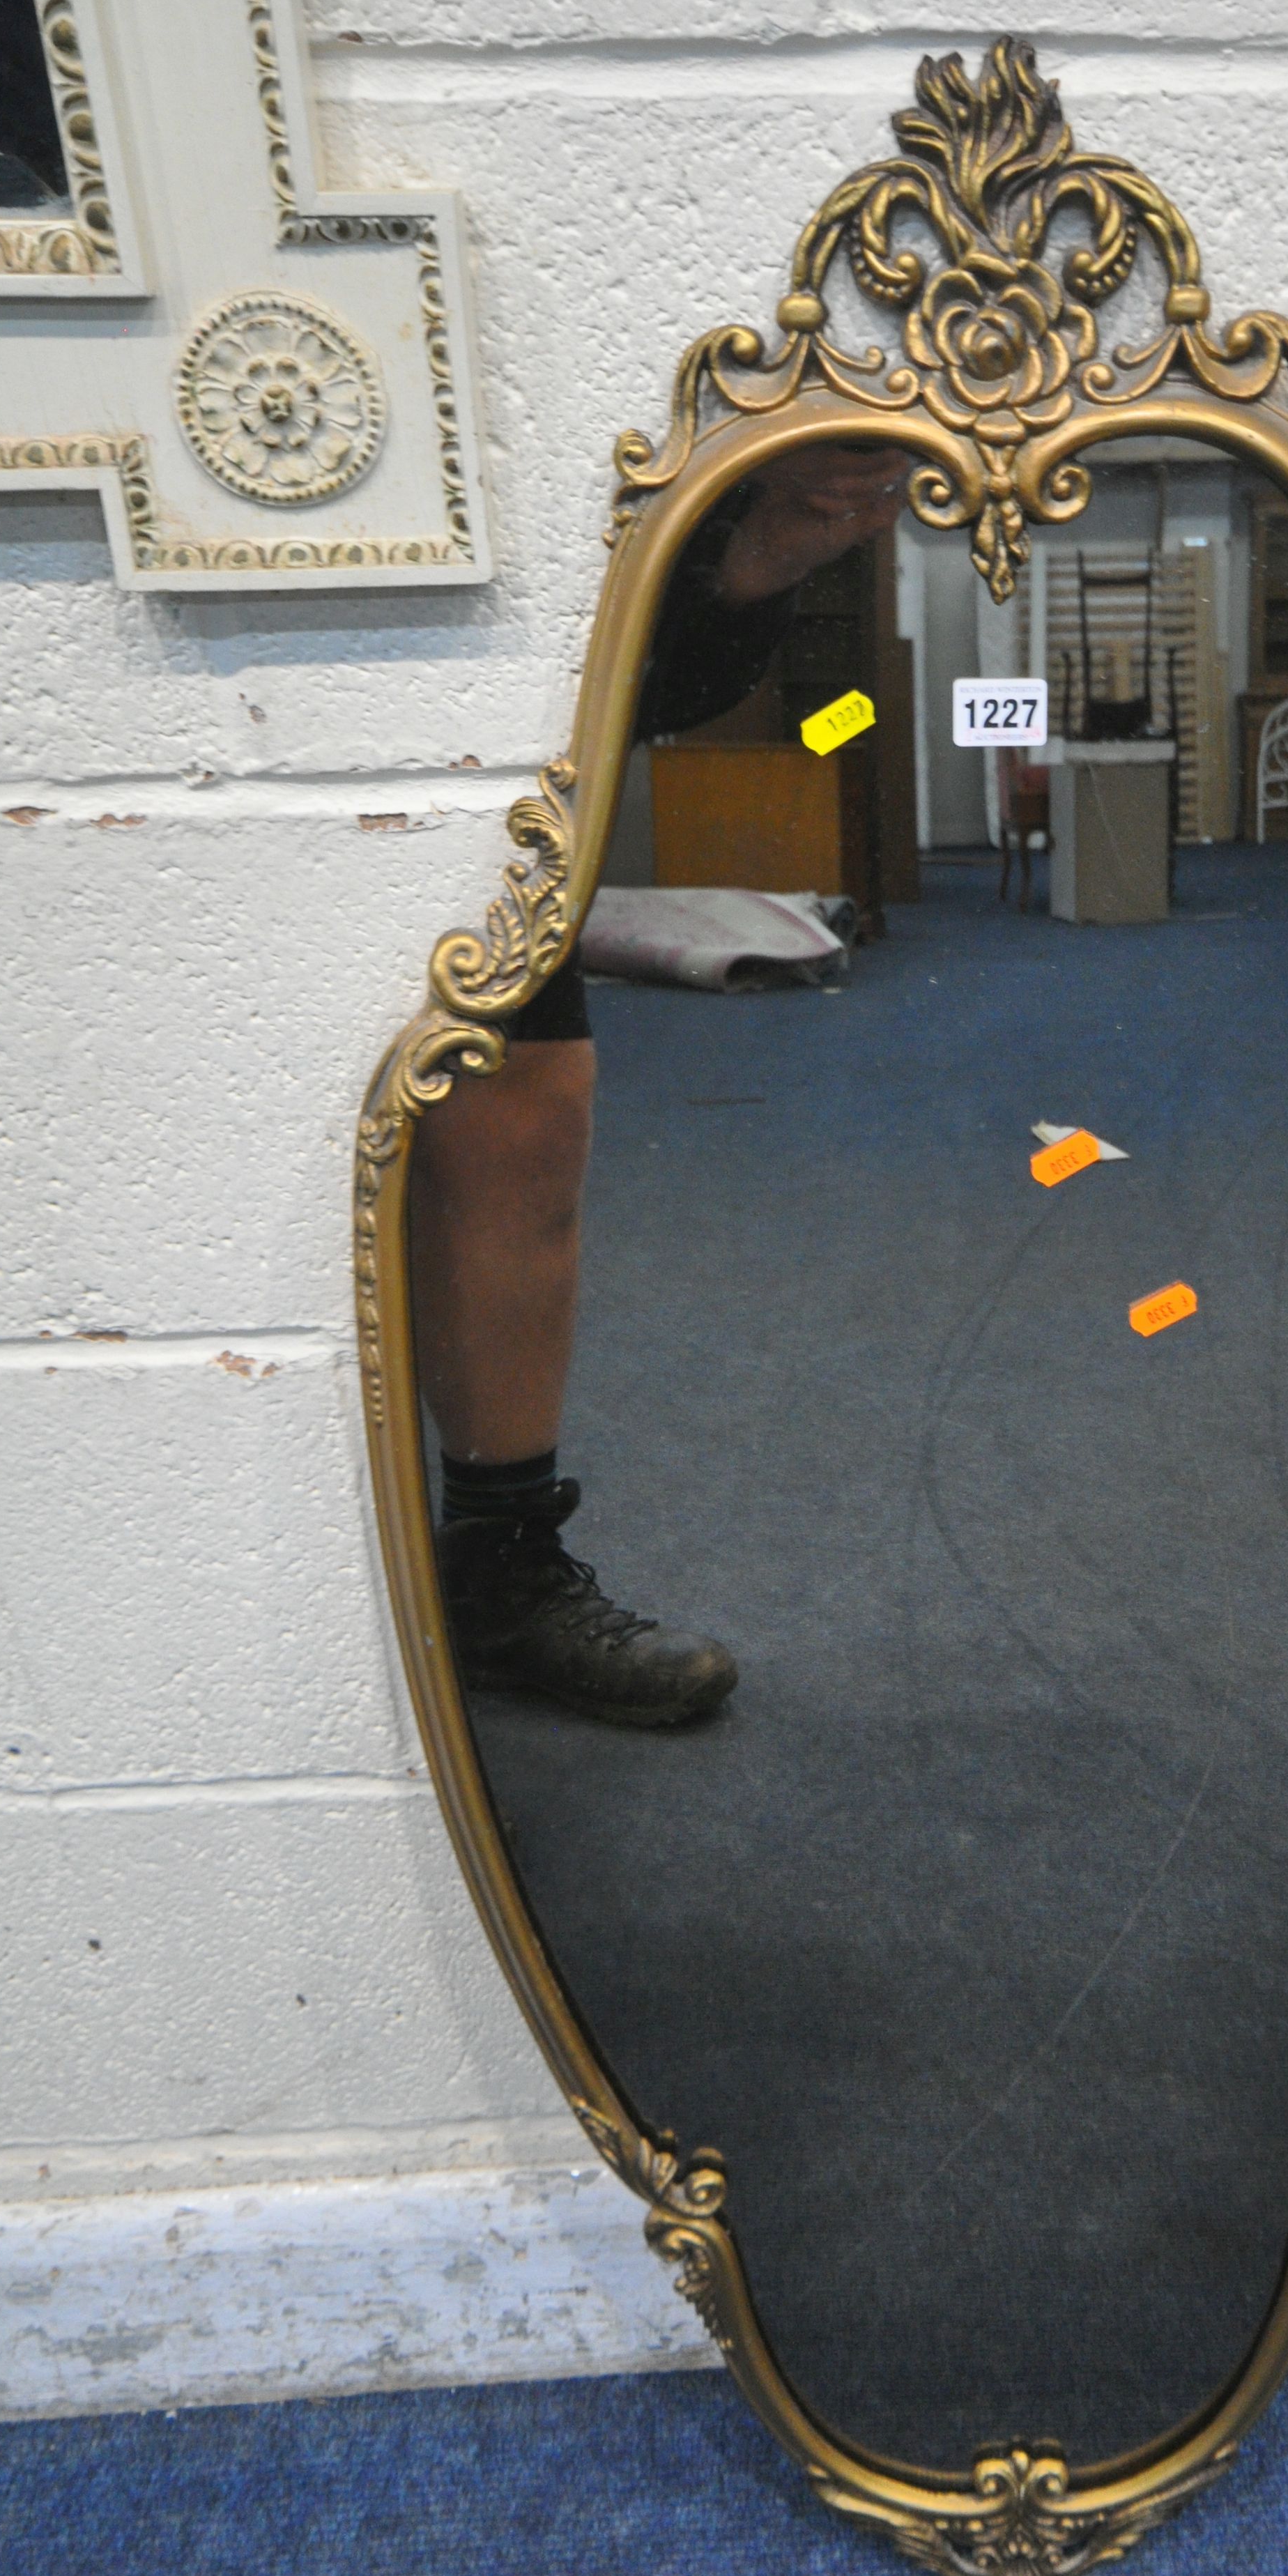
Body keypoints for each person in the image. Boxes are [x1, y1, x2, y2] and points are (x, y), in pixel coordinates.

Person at [411, 442, 909, 1729]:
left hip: (481, 796)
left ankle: (499, 1563)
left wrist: (753, 568)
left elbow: (647, 695)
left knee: (530, 1111)